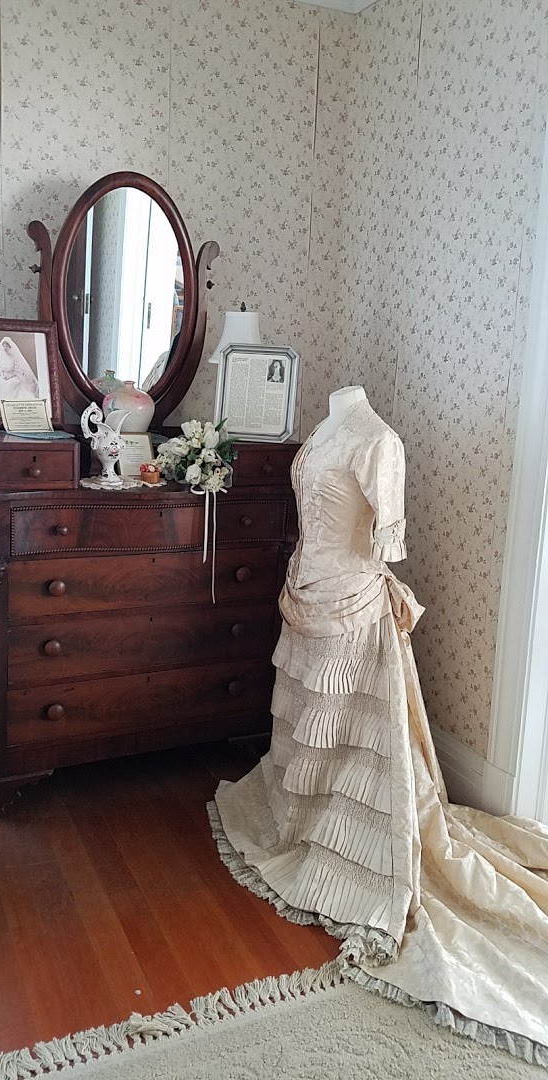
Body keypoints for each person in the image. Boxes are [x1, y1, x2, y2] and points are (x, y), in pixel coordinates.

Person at [210, 385, 548, 1065]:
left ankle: (354, 851)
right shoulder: (327, 427)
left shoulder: (378, 440)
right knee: (309, 728)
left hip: (351, 602)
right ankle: (305, 822)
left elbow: (383, 543)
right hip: (307, 591)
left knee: (350, 735)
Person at [0, 336, 39, 408]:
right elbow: (0, 369)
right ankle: (2, 402)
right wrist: (3, 375)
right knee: (0, 382)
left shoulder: (14, 357)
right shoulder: (2, 357)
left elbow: (18, 370)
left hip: (13, 375)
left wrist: (9, 376)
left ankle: (12, 404)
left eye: (6, 347)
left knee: (11, 383)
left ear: (9, 347)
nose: (5, 349)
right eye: (3, 347)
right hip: (4, 376)